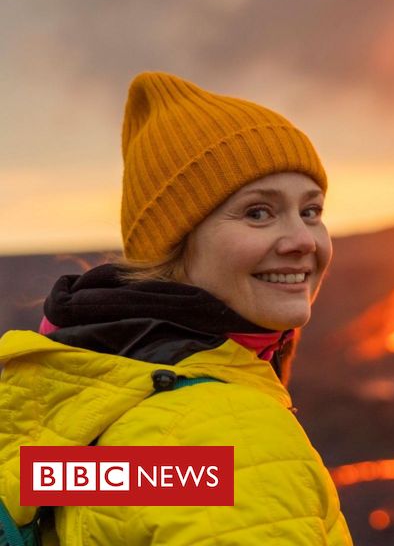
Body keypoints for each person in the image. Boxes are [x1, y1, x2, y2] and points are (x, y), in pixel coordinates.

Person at [0, 72, 353, 544]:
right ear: (174, 243)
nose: (303, 240)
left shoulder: (91, 399)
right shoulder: (228, 435)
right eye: (258, 213)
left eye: (311, 211)